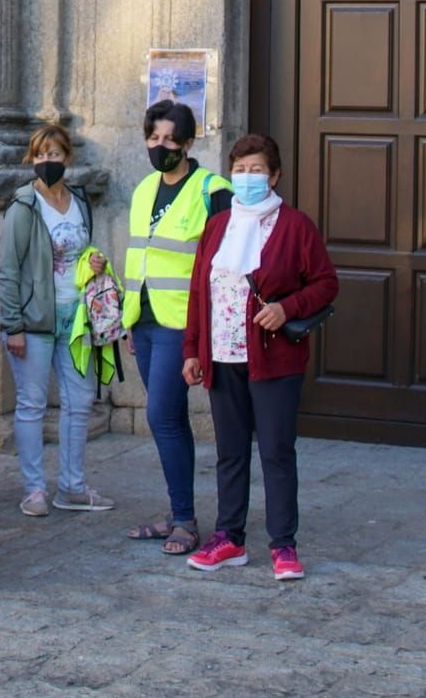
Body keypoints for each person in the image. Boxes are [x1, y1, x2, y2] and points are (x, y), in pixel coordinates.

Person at [181, 135, 338, 579]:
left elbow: (325, 283)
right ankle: (229, 538)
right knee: (230, 452)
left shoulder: (295, 226)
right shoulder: (218, 225)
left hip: (274, 360)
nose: (247, 177)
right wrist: (192, 349)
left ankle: (283, 545)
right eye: (240, 169)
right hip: (222, 355)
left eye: (256, 170)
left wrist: (287, 308)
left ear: (274, 175)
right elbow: (199, 291)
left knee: (275, 450)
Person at [122, 100, 232, 557]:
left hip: (179, 322)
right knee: (169, 419)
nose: (160, 146)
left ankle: (185, 521)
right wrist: (128, 320)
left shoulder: (212, 188)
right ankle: (177, 511)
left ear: (188, 143)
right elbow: (141, 255)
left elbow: (233, 253)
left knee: (161, 417)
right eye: (153, 138)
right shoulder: (145, 187)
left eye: (169, 139)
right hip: (143, 318)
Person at [0, 123, 115, 516]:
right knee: (31, 404)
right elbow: (8, 270)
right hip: (33, 321)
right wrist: (12, 325)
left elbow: (79, 252)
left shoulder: (80, 201)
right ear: (33, 159)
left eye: (55, 154)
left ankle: (73, 486)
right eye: (41, 155)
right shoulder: (23, 206)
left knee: (79, 401)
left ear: (68, 158)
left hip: (76, 317)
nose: (48, 161)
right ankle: (33, 489)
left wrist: (92, 261)